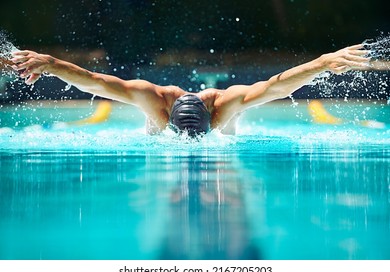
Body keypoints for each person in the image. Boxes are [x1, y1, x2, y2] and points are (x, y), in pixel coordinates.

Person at [9, 44, 376, 136]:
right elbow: (97, 80)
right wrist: (52, 63)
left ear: (211, 120)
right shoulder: (152, 98)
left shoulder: (226, 104)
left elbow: (274, 86)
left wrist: (322, 62)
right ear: (166, 117)